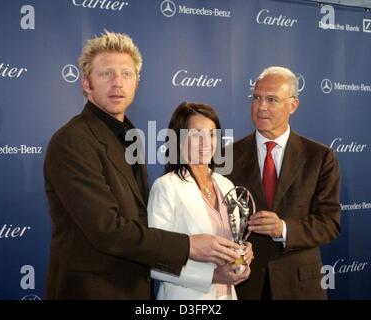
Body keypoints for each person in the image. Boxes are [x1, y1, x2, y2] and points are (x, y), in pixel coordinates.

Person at [43, 30, 240, 299]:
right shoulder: (72, 141)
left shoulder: (129, 136)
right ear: (86, 83)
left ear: (137, 82)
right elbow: (107, 229)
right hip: (93, 292)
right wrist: (188, 245)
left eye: (126, 74)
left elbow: (140, 222)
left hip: (132, 289)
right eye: (106, 74)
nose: (117, 83)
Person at [227, 66, 341, 299]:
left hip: (300, 286)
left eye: (271, 99)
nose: (261, 107)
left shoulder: (320, 157)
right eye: (256, 97)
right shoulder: (227, 156)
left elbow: (329, 223)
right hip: (244, 285)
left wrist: (284, 229)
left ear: (293, 105)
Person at [148, 102, 253, 300]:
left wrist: (244, 253)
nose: (206, 143)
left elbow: (234, 241)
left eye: (211, 134)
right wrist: (212, 276)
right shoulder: (166, 187)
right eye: (196, 135)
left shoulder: (225, 184)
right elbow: (155, 261)